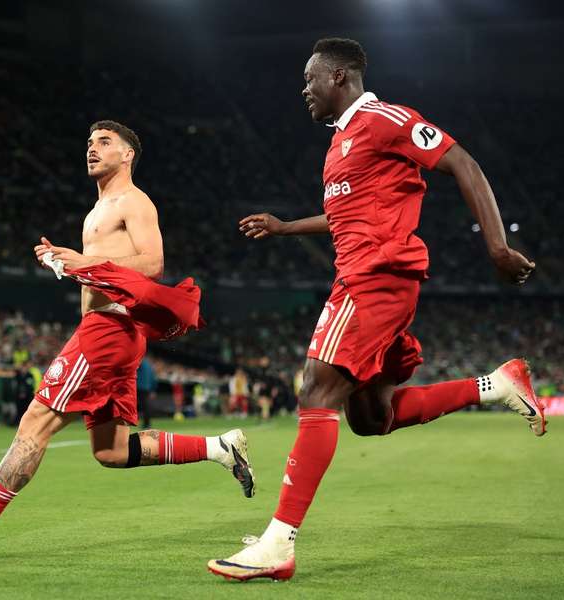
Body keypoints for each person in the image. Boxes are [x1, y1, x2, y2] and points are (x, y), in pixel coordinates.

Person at [208, 37, 545, 582]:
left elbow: (463, 162)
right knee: (369, 418)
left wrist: (498, 247)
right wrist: (286, 227)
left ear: (339, 77)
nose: (304, 90)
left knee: (315, 390)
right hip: (372, 277)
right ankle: (497, 384)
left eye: (310, 79)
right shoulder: (339, 143)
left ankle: (278, 544)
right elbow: (345, 214)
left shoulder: (386, 119)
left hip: (375, 277)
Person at [0, 120, 256, 556]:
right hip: (115, 333)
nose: (92, 148)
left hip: (106, 331)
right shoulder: (97, 211)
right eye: (90, 142)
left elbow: (152, 263)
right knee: (111, 451)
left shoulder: (133, 201)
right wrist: (66, 263)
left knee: (34, 423)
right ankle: (219, 447)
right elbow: (102, 270)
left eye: (105, 142)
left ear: (127, 154)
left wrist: (84, 262)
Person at [136, 356, 157, 428]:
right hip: (147, 388)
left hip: (139, 386)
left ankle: (144, 423)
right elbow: (153, 378)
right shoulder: (149, 365)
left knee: (136, 405)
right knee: (146, 406)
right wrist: (153, 389)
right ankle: (147, 423)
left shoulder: (139, 362)